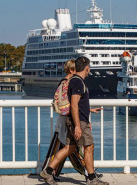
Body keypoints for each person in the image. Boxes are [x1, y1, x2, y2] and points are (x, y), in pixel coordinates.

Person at [40, 57, 109, 185]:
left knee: (69, 148)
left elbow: (78, 104)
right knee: (89, 147)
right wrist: (78, 125)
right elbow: (74, 105)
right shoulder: (78, 82)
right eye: (89, 68)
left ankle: (48, 172)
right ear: (87, 67)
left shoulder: (75, 81)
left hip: (75, 120)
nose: (89, 70)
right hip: (79, 122)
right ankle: (92, 179)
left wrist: (89, 110)